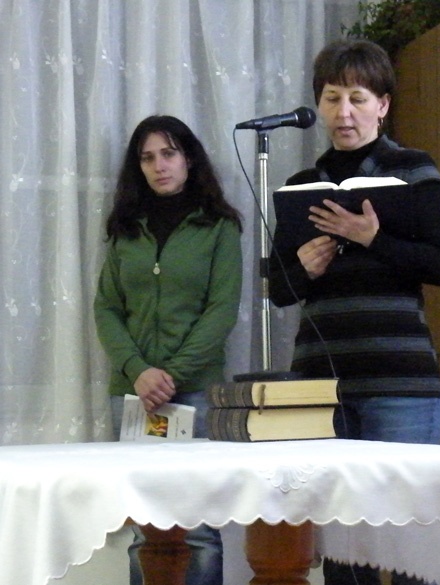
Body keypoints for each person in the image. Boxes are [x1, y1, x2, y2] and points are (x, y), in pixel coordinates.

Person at [269, 39, 440, 585]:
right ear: (318, 105)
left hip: (400, 384)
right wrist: (304, 267)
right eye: (332, 98)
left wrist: (372, 237)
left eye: (357, 98)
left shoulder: (414, 170)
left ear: (383, 105)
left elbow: (439, 265)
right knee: (344, 550)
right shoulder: (302, 187)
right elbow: (279, 289)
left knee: (410, 549)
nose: (343, 112)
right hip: (320, 387)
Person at [94, 114, 242, 585]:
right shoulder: (126, 228)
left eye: (169, 153)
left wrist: (171, 374)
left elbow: (221, 310)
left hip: (195, 393)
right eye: (148, 158)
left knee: (198, 529)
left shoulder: (219, 226)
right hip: (134, 396)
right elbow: (106, 308)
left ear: (189, 159)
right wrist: (138, 370)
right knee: (146, 526)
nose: (159, 166)